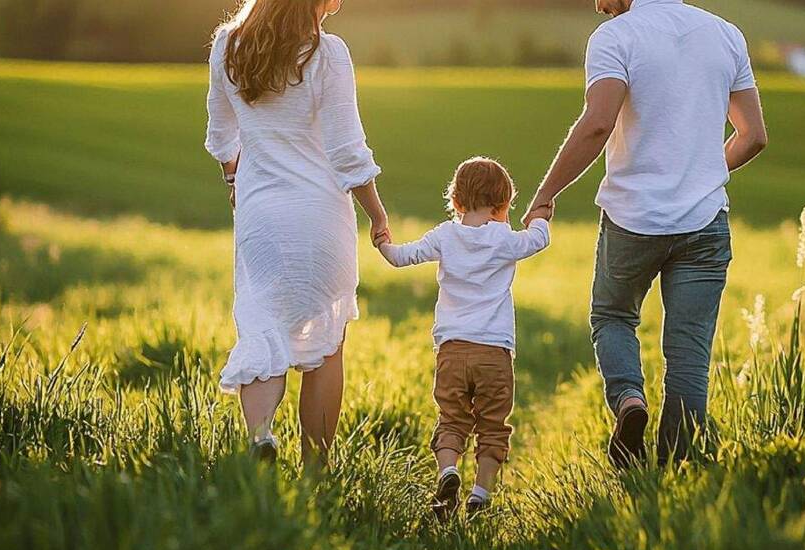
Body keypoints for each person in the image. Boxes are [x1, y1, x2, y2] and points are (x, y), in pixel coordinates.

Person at [523, 0, 768, 467]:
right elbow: (753, 135)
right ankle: (677, 471)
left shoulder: (616, 37)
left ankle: (629, 400)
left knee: (612, 316)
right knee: (689, 354)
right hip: (705, 224)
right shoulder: (725, 34)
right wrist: (701, 173)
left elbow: (598, 124)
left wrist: (545, 194)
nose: (597, 4)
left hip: (632, 220)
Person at [204, 0, 389, 465]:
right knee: (326, 345)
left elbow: (221, 137)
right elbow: (347, 151)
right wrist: (377, 214)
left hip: (260, 217)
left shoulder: (228, 46)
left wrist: (234, 179)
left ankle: (261, 437)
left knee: (263, 325)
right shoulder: (328, 53)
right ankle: (315, 472)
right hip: (321, 216)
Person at [376, 157, 551, 519]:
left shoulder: (445, 235)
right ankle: (480, 494)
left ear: (455, 201)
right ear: (504, 205)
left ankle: (447, 472)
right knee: (492, 425)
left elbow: (402, 257)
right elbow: (538, 239)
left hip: (452, 350)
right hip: (494, 352)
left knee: (452, 419)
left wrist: (383, 244)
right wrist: (540, 216)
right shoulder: (503, 239)